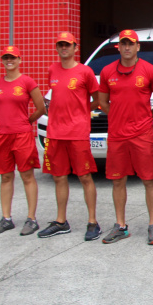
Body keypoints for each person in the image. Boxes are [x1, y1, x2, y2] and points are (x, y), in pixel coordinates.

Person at [98, 29, 153, 245]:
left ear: (138, 47)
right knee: (118, 180)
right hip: (118, 136)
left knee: (149, 180)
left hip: (143, 134)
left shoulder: (150, 71)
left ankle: (152, 225)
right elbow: (102, 102)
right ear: (118, 47)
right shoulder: (107, 71)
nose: (127, 47)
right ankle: (120, 225)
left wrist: (147, 118)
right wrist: (118, 118)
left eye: (131, 43)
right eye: (123, 43)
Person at [38, 32, 102, 241]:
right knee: (59, 177)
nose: (64, 48)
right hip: (55, 133)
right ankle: (61, 221)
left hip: (77, 133)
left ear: (75, 48)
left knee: (84, 176)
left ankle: (92, 222)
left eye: (68, 45)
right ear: (57, 48)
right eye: (60, 45)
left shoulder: (85, 72)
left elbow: (97, 99)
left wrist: (82, 112)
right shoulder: (52, 70)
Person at [0, 46, 46, 236]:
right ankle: (6, 218)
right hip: (1, 135)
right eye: (6, 57)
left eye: (12, 57)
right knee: (5, 176)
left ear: (19, 60)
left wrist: (25, 121)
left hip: (21, 135)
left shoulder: (27, 82)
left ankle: (31, 219)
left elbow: (40, 108)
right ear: (2, 60)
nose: (9, 60)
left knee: (27, 176)